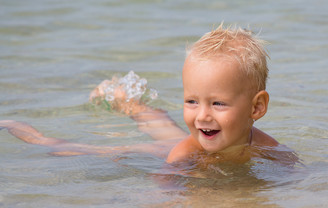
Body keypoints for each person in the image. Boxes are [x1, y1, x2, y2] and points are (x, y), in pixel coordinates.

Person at [0, 24, 296, 167]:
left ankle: (129, 102)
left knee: (166, 129)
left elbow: (297, 175)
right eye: (192, 101)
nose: (203, 114)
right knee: (84, 150)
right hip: (176, 146)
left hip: (193, 137)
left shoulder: (269, 148)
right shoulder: (183, 153)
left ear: (257, 107)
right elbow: (165, 185)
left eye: (217, 103)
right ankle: (24, 130)